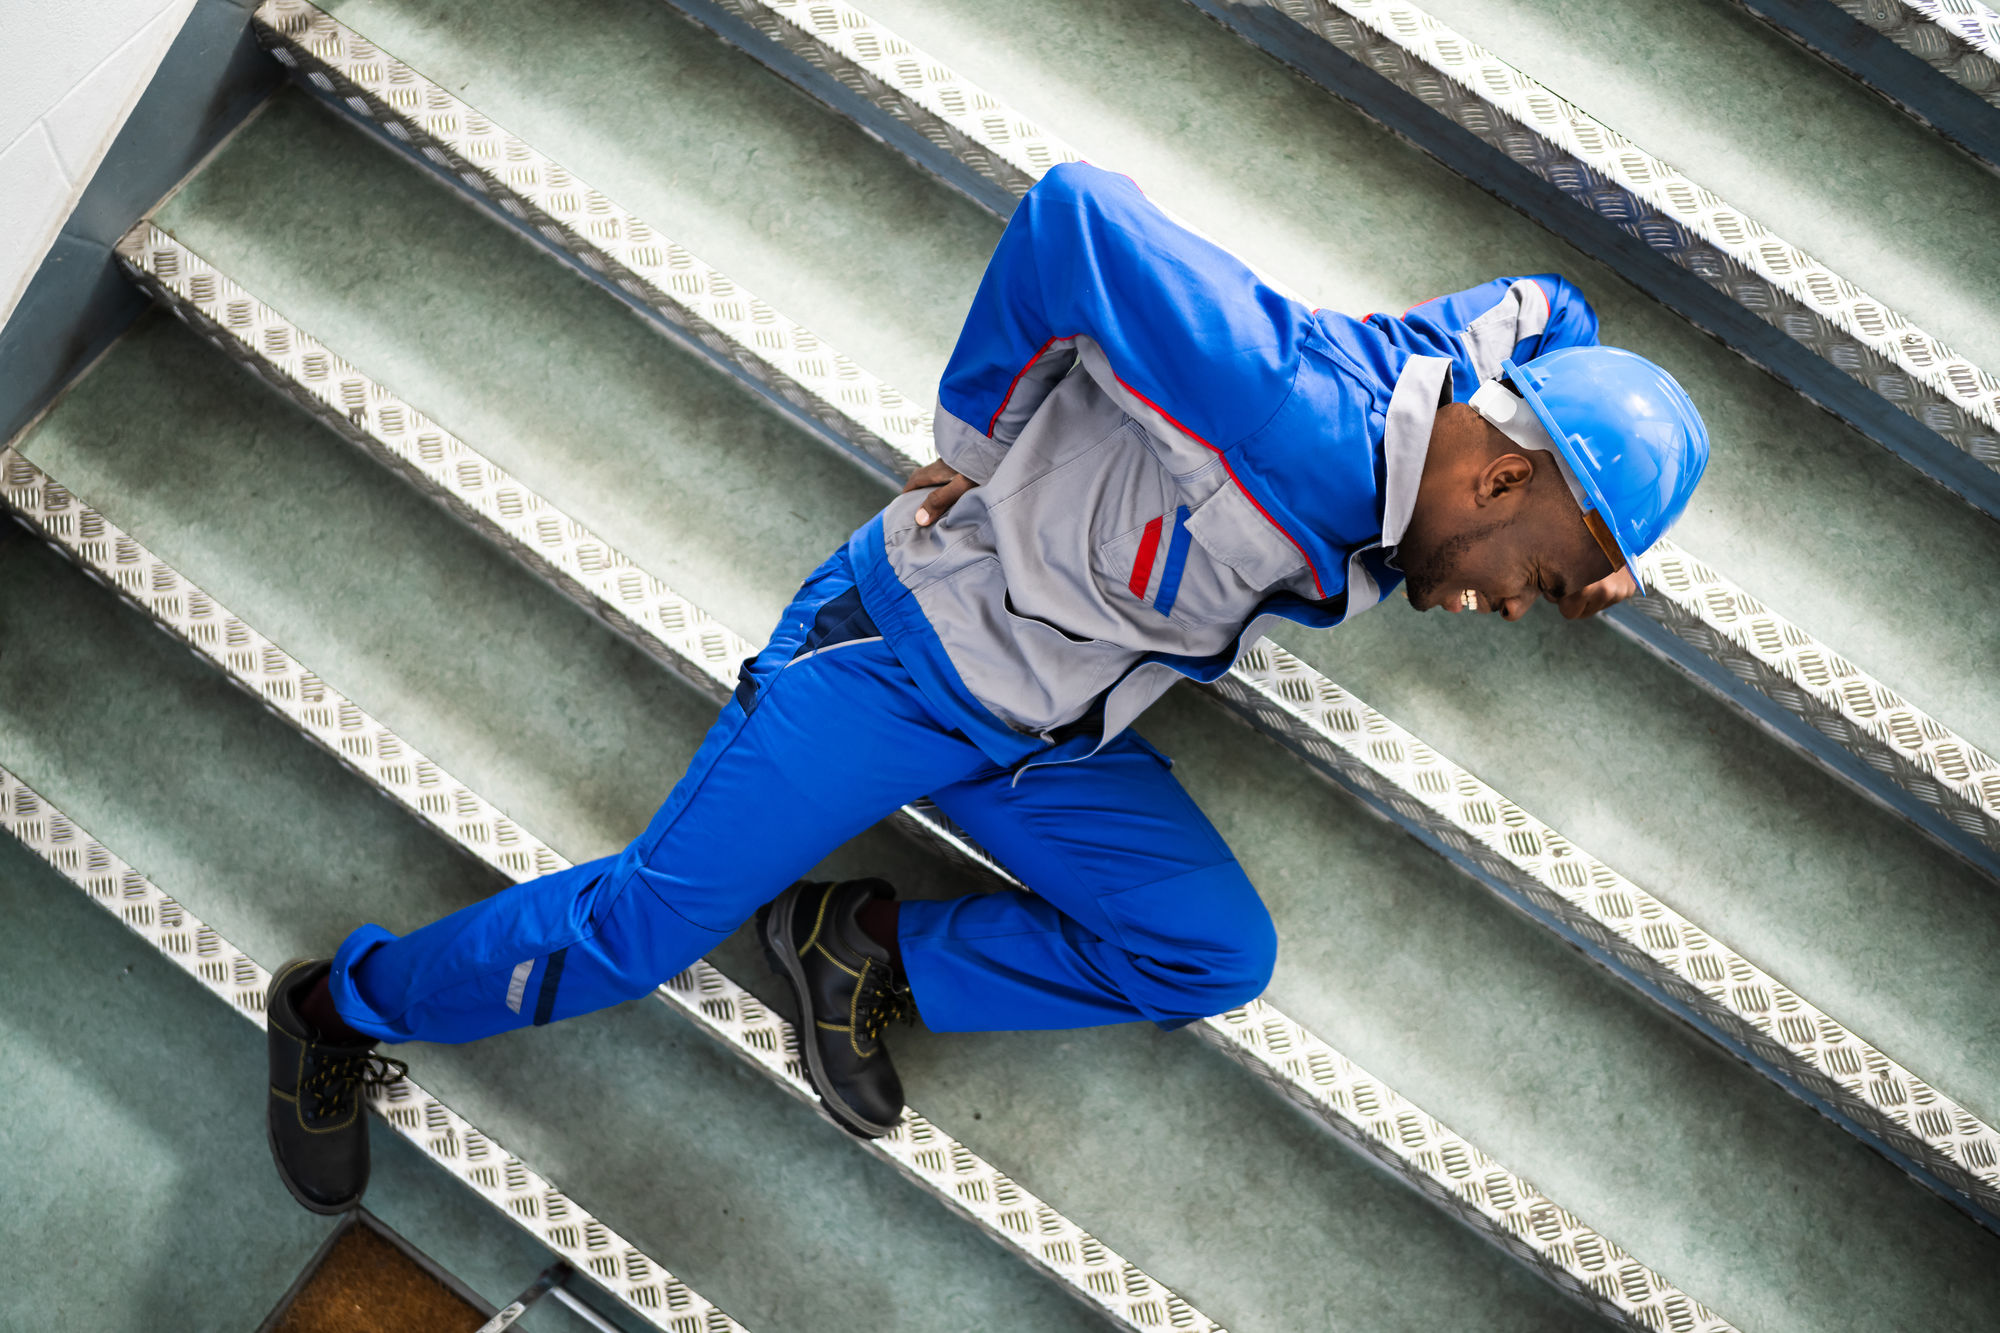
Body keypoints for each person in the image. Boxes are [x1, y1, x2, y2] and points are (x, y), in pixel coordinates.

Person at [262, 162, 1708, 1213]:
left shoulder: (1460, 401)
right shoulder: (1289, 408)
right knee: (638, 929)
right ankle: (344, 1007)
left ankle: (857, 946)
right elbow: (1073, 213)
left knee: (1211, 955)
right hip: (895, 657)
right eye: (1537, 569)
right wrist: (979, 434)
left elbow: (1550, 305)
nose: (1519, 603)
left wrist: (1599, 524)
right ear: (1500, 473)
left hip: (1045, 728)